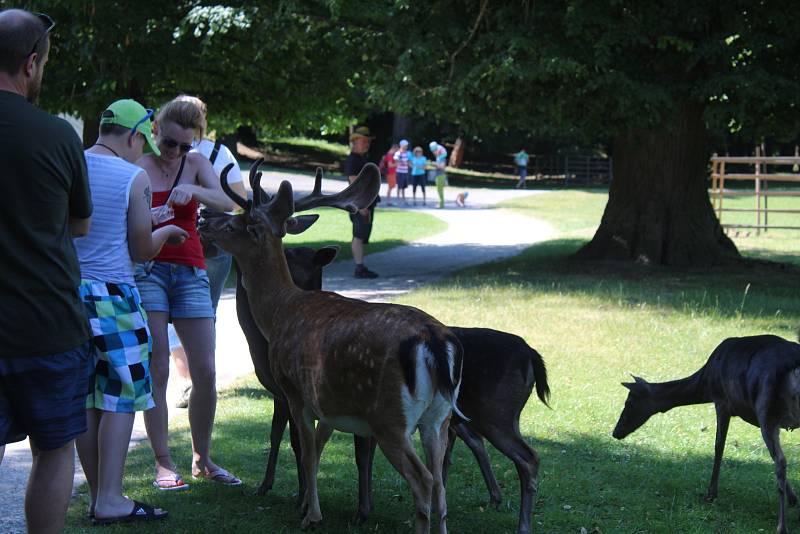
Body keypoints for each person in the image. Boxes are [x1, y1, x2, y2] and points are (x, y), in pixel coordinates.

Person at [0, 9, 93, 533]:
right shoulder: (58, 136)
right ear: (30, 64)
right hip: (49, 326)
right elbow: (79, 224)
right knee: (54, 450)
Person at [74, 99, 188, 524]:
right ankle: (110, 499)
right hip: (114, 298)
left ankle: (99, 494)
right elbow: (142, 249)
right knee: (121, 397)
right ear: (134, 135)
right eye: (145, 142)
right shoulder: (133, 175)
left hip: (70, 295)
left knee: (86, 396)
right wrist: (167, 231)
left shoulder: (74, 163)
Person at [135, 97, 240, 490]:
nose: (177, 152)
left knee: (206, 371)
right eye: (171, 144)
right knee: (158, 367)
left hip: (191, 269)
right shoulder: (139, 165)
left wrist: (192, 189)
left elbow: (227, 200)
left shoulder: (194, 163)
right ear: (155, 131)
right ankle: (164, 463)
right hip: (149, 271)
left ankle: (203, 459)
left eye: (186, 145)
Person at [168, 95, 247, 409]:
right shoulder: (219, 152)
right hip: (212, 243)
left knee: (166, 313)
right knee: (204, 314)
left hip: (170, 239)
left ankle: (188, 379)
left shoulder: (160, 148)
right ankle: (201, 381)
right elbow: (239, 201)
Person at [345, 126, 379, 279]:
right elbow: (354, 184)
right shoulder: (353, 159)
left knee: (361, 236)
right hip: (359, 204)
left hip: (365, 204)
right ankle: (359, 268)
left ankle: (361, 266)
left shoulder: (361, 159)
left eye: (368, 141)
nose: (366, 144)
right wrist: (362, 205)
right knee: (358, 236)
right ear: (355, 141)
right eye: (363, 141)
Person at [429, 141, 448, 208]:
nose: (434, 152)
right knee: (439, 190)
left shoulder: (441, 158)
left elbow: (442, 167)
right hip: (439, 175)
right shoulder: (439, 158)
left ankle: (441, 204)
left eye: (435, 151)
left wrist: (435, 164)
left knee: (440, 190)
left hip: (441, 175)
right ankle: (441, 204)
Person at [393, 139, 411, 204]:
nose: (406, 147)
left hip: (405, 172)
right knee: (399, 186)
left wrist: (407, 163)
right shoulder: (398, 153)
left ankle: (403, 200)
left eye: (407, 145)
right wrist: (404, 162)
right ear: (402, 145)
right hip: (399, 172)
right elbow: (396, 161)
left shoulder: (407, 153)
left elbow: (408, 162)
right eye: (405, 145)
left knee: (404, 187)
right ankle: (398, 200)